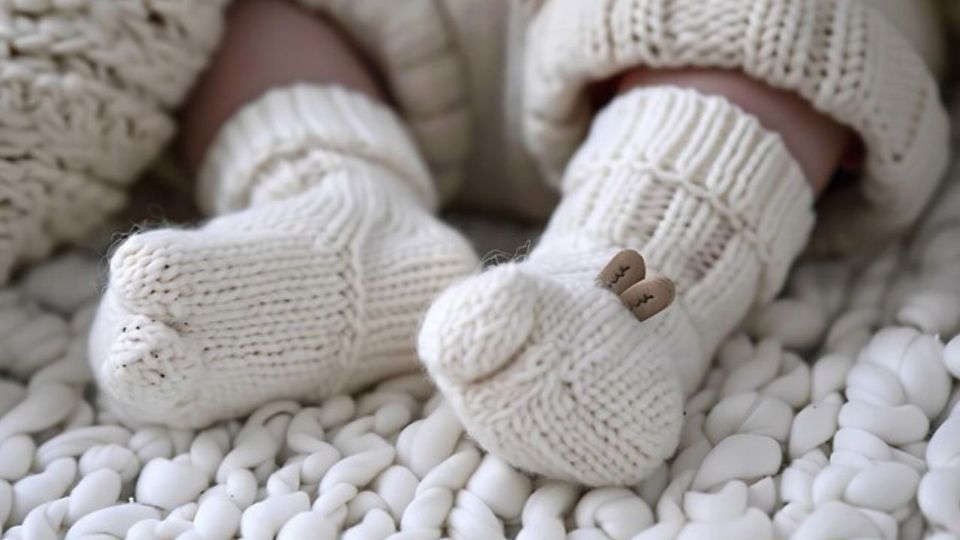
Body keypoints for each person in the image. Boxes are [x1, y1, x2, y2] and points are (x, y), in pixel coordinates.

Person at [1, 0, 949, 485]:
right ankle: (340, 213)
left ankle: (626, 277)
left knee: (776, 30)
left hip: (664, 36)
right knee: (249, 26)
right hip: (397, 33)